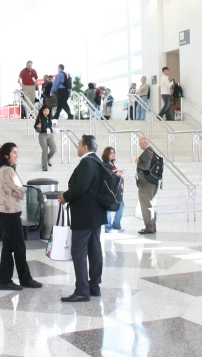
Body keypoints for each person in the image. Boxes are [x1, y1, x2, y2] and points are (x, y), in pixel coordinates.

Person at [58, 134, 106, 302]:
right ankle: (94, 286)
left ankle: (82, 290)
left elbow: (82, 187)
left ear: (85, 147)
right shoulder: (98, 161)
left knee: (78, 251)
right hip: (96, 214)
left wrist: (66, 196)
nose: (77, 147)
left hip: (85, 215)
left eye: (79, 144)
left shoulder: (86, 162)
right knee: (95, 249)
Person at [0, 142, 43, 291]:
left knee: (8, 248)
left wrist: (17, 192)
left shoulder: (1, 169)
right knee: (19, 247)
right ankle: (25, 279)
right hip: (9, 214)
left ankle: (5, 281)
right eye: (14, 152)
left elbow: (18, 191)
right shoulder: (8, 171)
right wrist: (18, 193)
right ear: (6, 155)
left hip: (4, 213)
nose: (17, 155)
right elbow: (21, 191)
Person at [135, 136, 159, 234]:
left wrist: (138, 162)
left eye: (141, 144)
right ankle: (152, 226)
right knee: (151, 205)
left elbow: (146, 166)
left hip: (146, 184)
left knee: (146, 205)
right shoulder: (152, 151)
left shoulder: (148, 152)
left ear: (145, 143)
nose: (140, 145)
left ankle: (149, 227)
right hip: (151, 183)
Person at [102, 147, 125, 233]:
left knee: (121, 205)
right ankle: (108, 228)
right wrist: (116, 174)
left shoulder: (111, 163)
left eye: (114, 152)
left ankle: (116, 225)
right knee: (108, 208)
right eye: (111, 153)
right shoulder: (104, 165)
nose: (113, 154)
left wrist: (118, 172)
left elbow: (113, 173)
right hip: (109, 190)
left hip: (116, 189)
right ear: (106, 154)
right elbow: (107, 176)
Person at [34, 106, 57, 171]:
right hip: (42, 135)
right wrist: (37, 126)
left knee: (54, 149)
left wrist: (56, 125)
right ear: (42, 111)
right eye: (44, 111)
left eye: (47, 111)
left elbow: (55, 124)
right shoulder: (39, 118)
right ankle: (44, 167)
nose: (46, 112)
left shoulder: (51, 118)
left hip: (50, 135)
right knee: (45, 150)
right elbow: (35, 126)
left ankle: (47, 159)